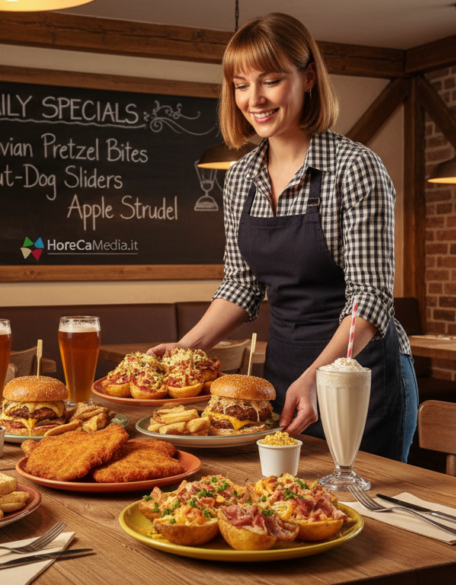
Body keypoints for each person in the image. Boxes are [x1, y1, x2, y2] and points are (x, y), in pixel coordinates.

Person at [150, 13, 418, 462]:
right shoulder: (241, 178)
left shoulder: (354, 169)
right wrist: (186, 348)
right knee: (286, 508)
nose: (254, 99)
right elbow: (242, 284)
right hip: (285, 372)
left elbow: (370, 299)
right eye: (240, 84)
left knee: (369, 515)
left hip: (358, 373)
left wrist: (319, 375)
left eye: (270, 80)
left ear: (308, 77)